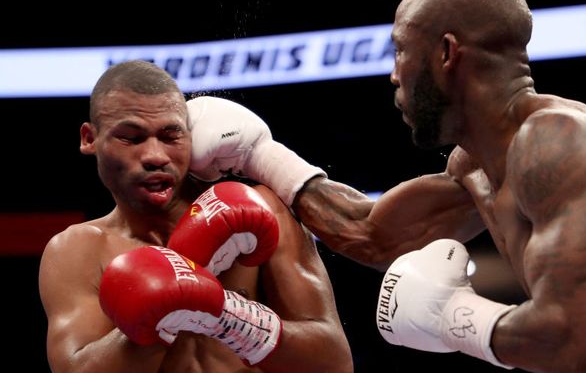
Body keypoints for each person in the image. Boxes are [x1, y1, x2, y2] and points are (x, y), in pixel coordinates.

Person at [185, 0, 586, 372]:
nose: (393, 76)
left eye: (400, 52)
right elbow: (371, 232)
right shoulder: (476, 166)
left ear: (446, 53)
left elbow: (580, 344)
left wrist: (456, 316)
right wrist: (262, 154)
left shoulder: (556, 142)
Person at [38, 60, 353, 373]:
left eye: (170, 136)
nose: (155, 156)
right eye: (131, 138)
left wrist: (229, 315)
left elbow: (334, 363)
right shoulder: (76, 251)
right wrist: (163, 304)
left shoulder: (261, 210)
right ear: (90, 139)